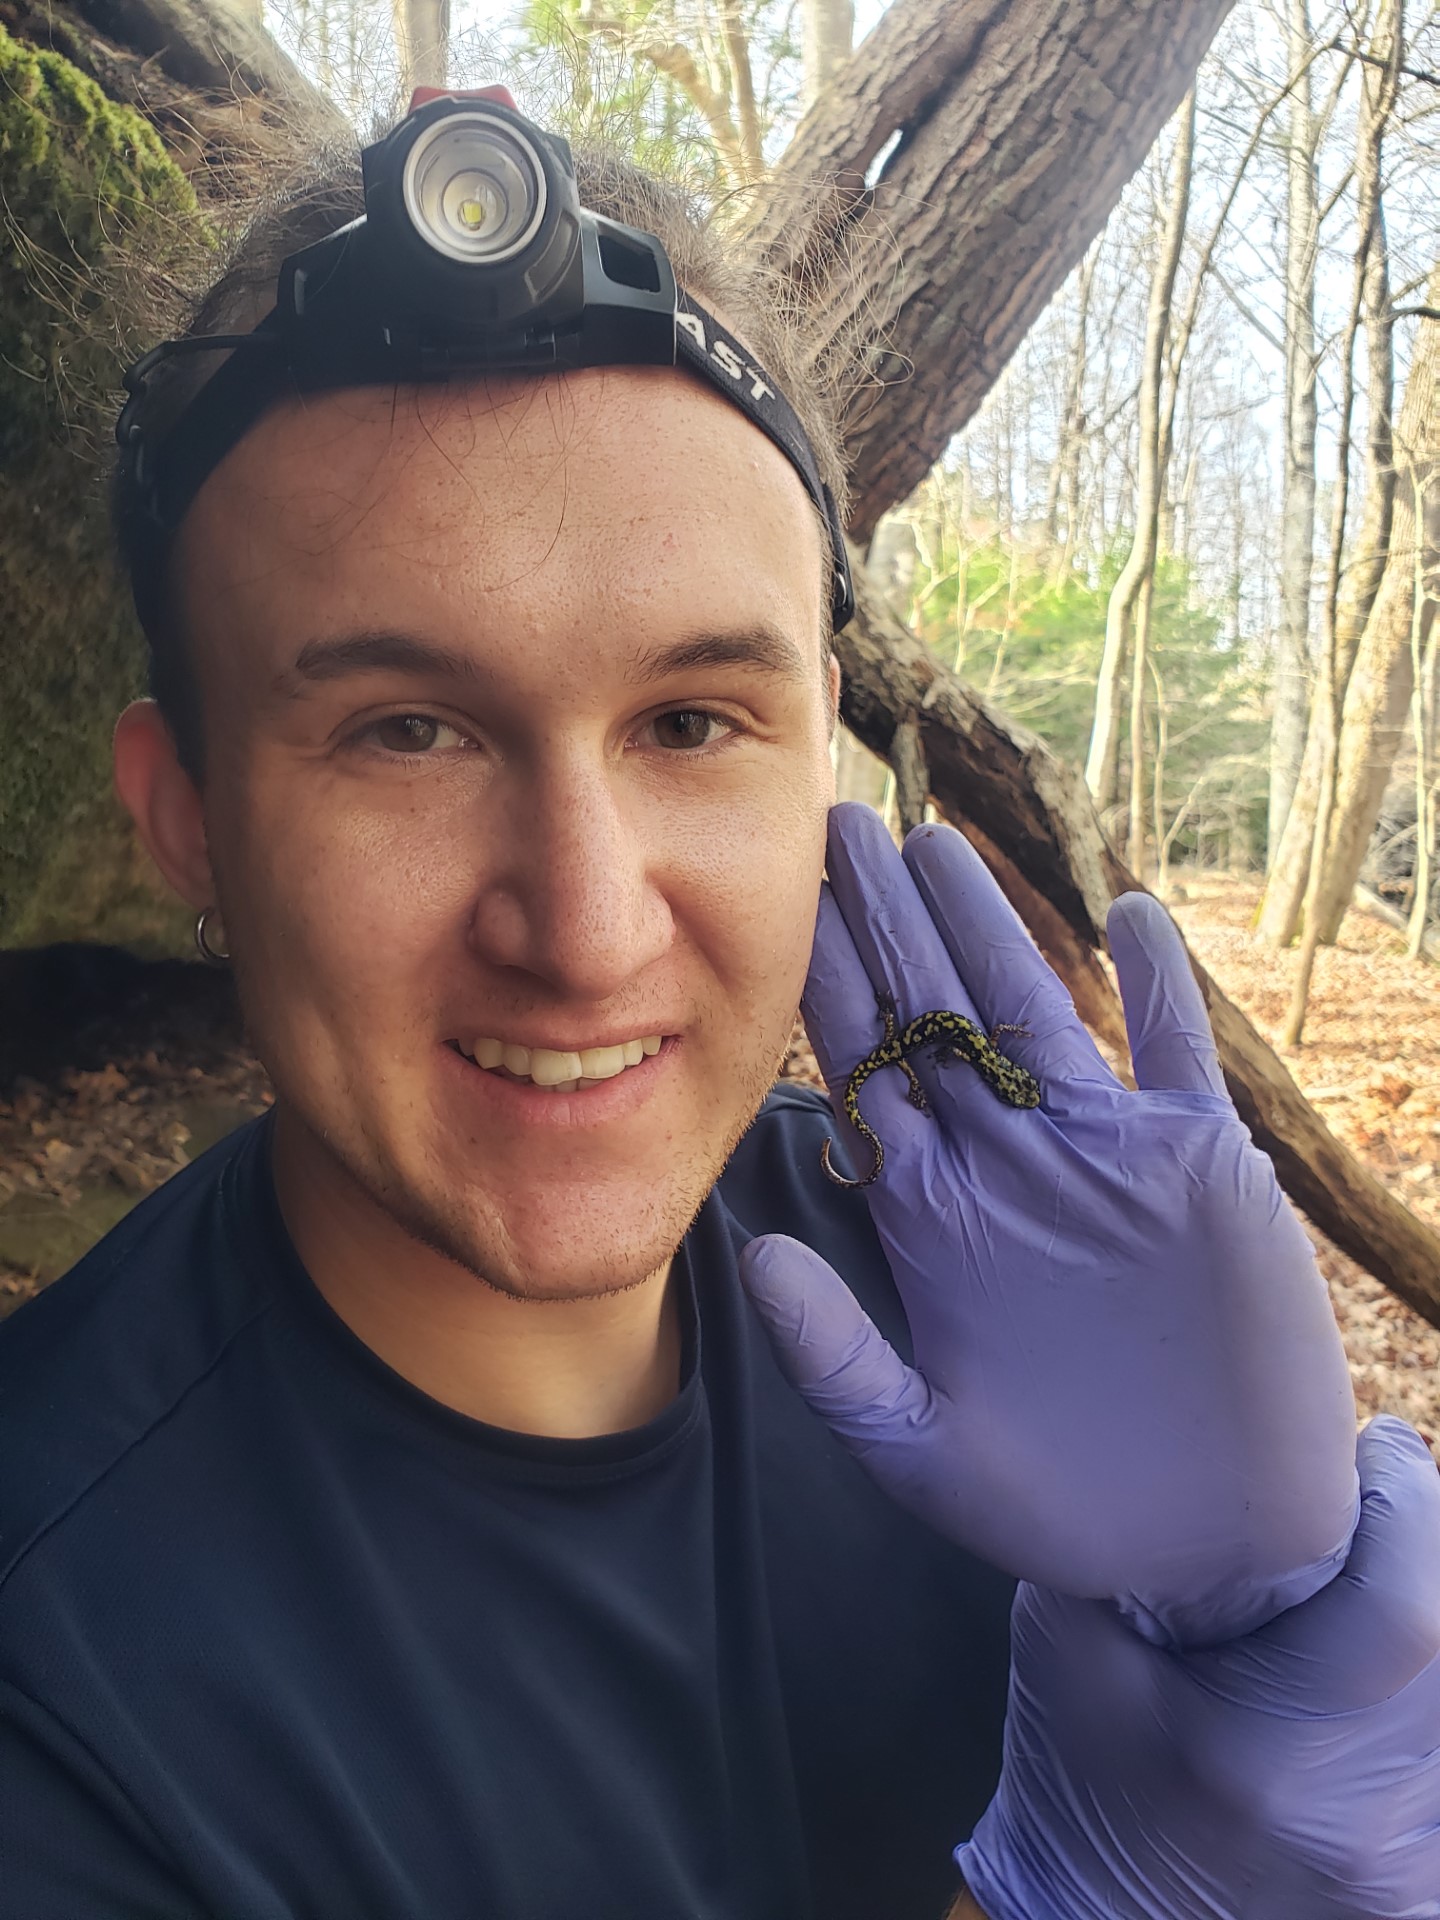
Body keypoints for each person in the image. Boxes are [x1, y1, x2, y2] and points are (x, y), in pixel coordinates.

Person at [0, 93, 1435, 1920]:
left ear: (816, 745)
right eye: (407, 732)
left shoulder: (1003, 1286)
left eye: (692, 722)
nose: (588, 930)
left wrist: (1269, 1634)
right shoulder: (56, 1684)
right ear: (185, 815)